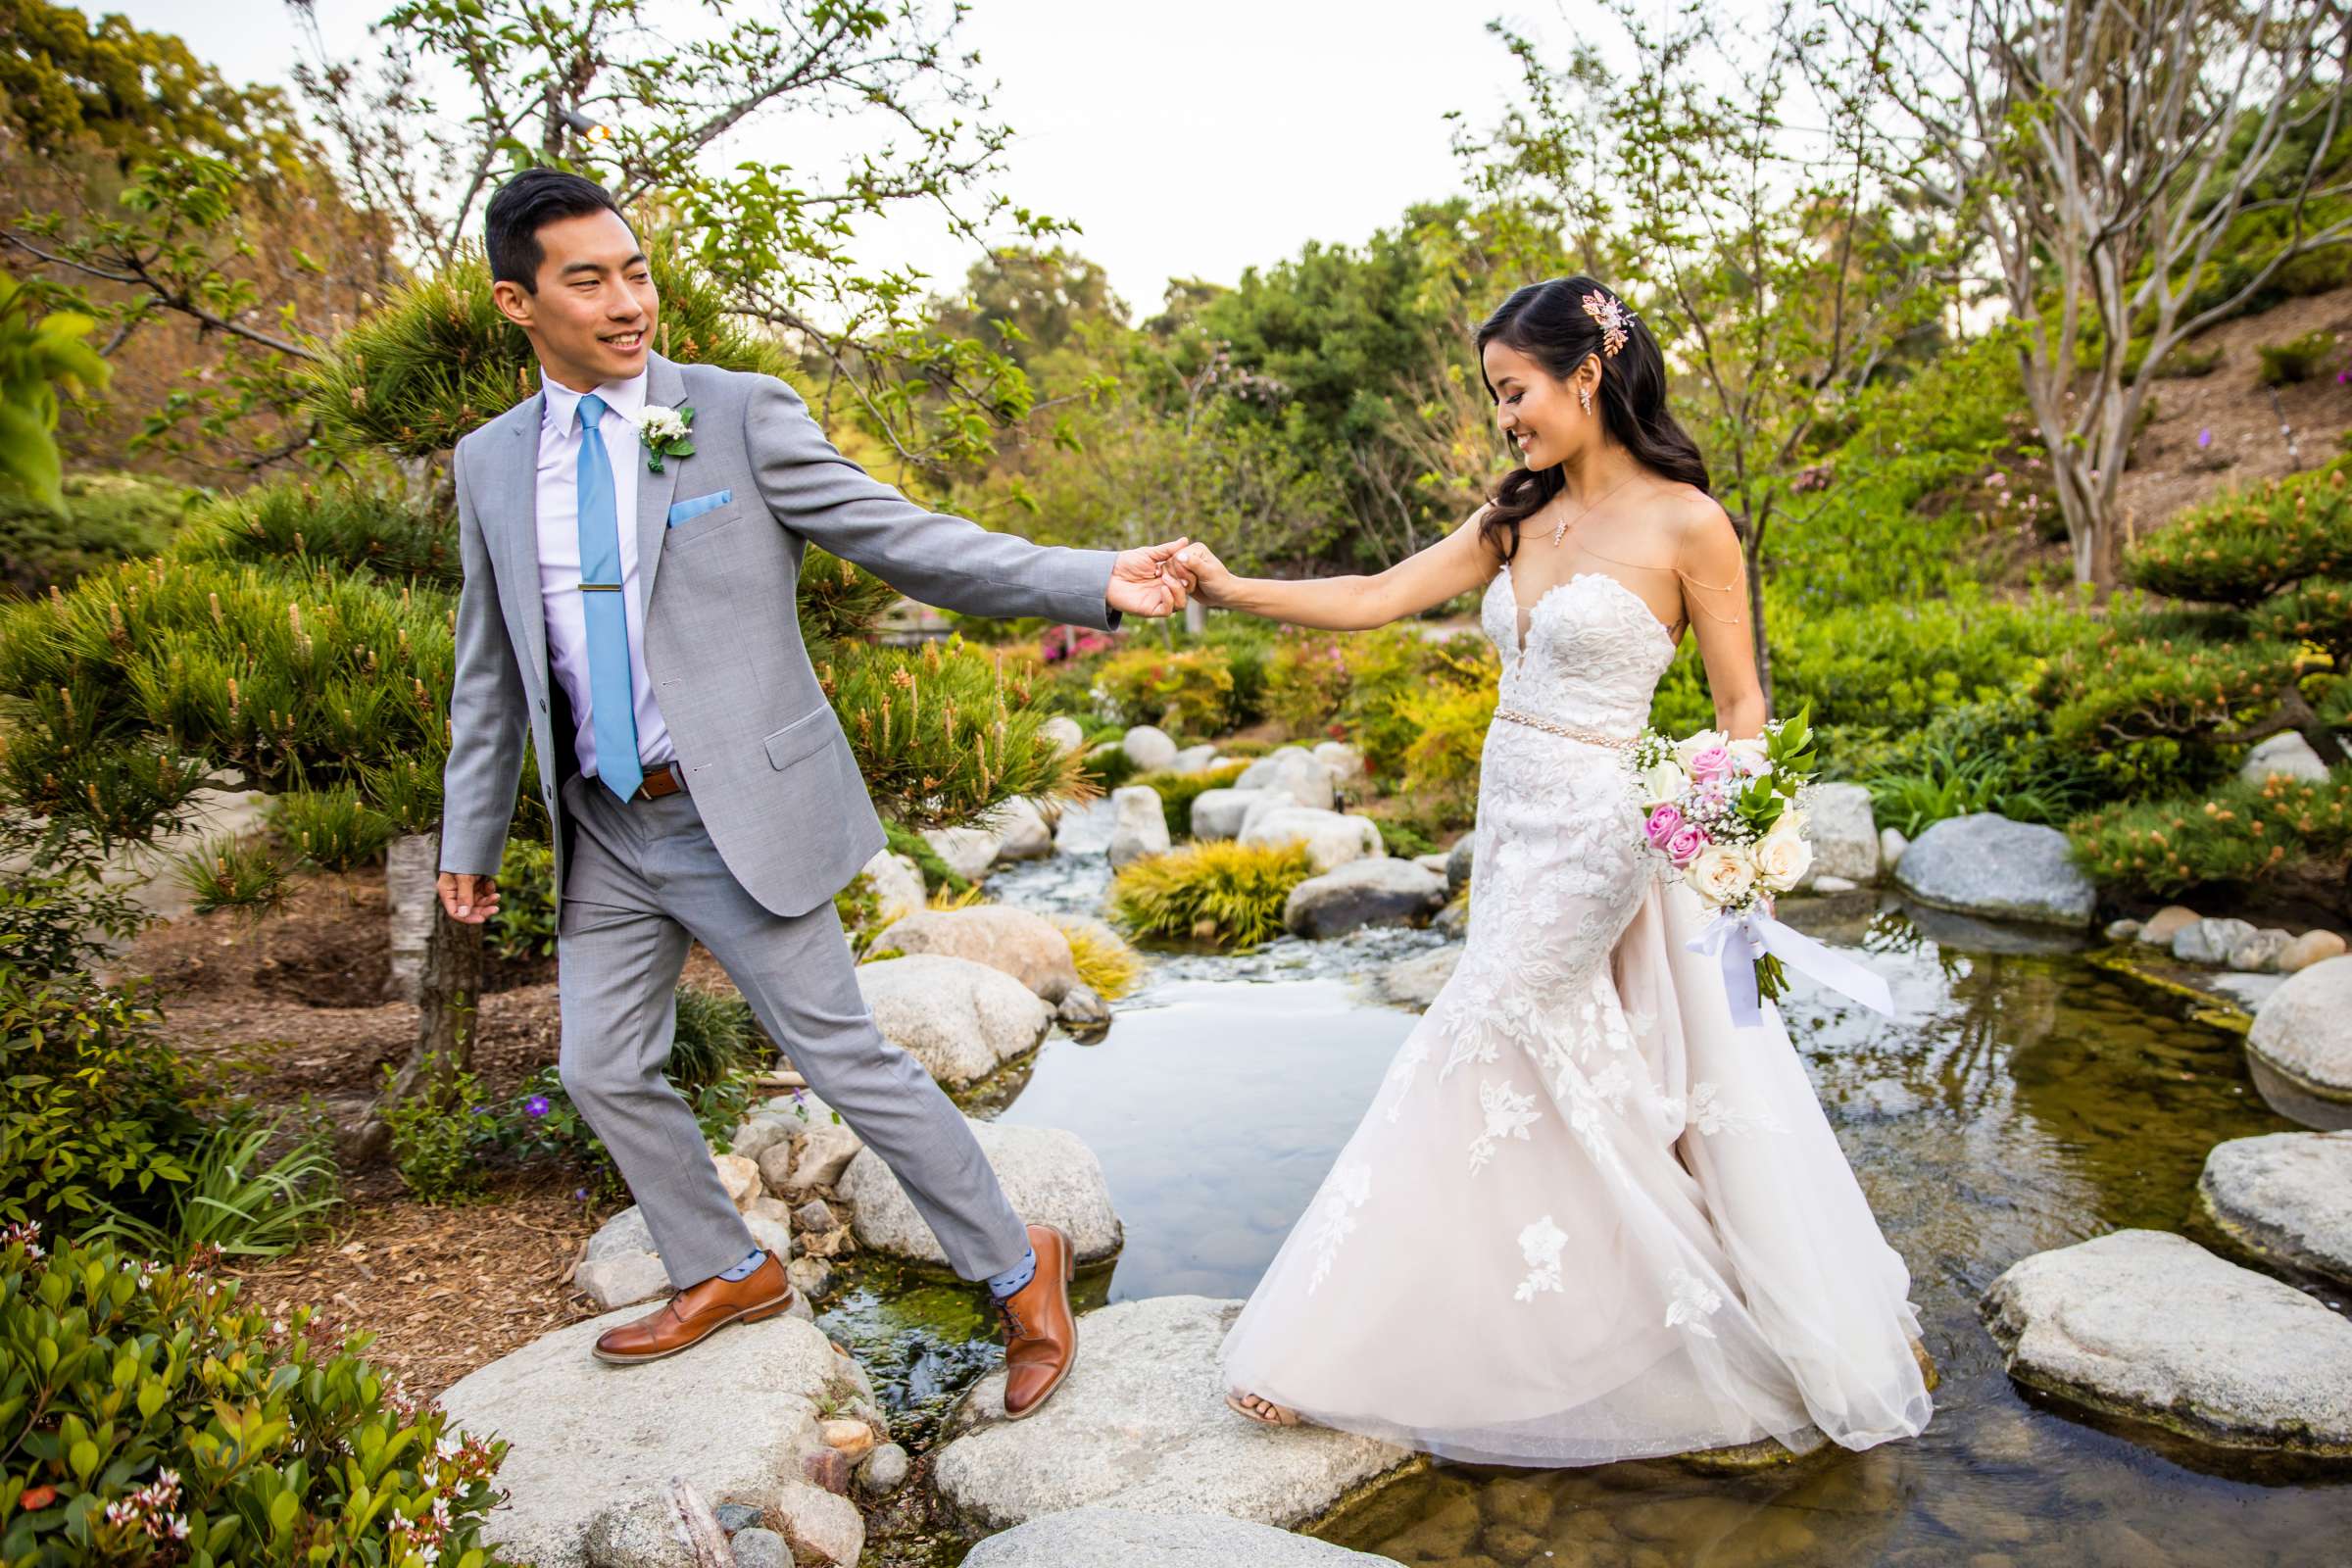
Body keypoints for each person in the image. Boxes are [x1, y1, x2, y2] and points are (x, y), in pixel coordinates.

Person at [434, 169, 1194, 1406]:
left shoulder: (734, 413)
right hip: (604, 824)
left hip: (738, 812)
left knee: (849, 1062)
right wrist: (473, 829)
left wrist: (1091, 576)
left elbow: (908, 536)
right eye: (589, 280)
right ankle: (725, 1263)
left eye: (637, 269)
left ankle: (1017, 1265)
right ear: (517, 302)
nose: (629, 301)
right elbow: (489, 662)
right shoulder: (488, 463)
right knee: (600, 1067)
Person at [1175, 276, 1935, 1463]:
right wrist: (1229, 586)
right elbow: (1378, 595)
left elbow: (1740, 705)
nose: (1506, 418)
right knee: (1568, 1062)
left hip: (1600, 829)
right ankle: (1627, 1298)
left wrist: (1737, 845)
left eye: (1515, 391)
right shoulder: (1511, 518)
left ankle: (1340, 1344)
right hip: (1510, 819)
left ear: (1588, 372)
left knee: (1483, 1029)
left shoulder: (1691, 525)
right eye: (1495, 398)